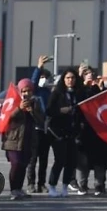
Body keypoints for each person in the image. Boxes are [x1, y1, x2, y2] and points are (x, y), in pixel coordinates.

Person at [0, 79, 42, 200]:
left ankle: (19, 188)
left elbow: (41, 120)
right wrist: (19, 108)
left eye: (29, 91)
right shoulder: (13, 101)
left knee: (23, 164)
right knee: (16, 163)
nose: (26, 93)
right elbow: (7, 117)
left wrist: (32, 111)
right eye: (24, 91)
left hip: (28, 139)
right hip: (13, 139)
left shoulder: (35, 103)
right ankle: (13, 189)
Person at [45, 69, 79, 197]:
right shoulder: (57, 93)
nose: (70, 80)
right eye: (68, 78)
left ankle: (65, 186)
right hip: (57, 133)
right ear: (63, 79)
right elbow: (48, 111)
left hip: (71, 132)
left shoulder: (76, 93)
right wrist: (60, 110)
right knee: (60, 160)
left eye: (73, 78)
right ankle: (52, 186)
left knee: (71, 161)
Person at [29, 57, 56, 192]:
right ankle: (31, 184)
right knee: (32, 159)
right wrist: (39, 67)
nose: (43, 79)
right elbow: (33, 82)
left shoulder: (49, 93)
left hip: (46, 130)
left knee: (44, 160)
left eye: (46, 77)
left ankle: (41, 183)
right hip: (35, 130)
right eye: (42, 77)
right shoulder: (35, 92)